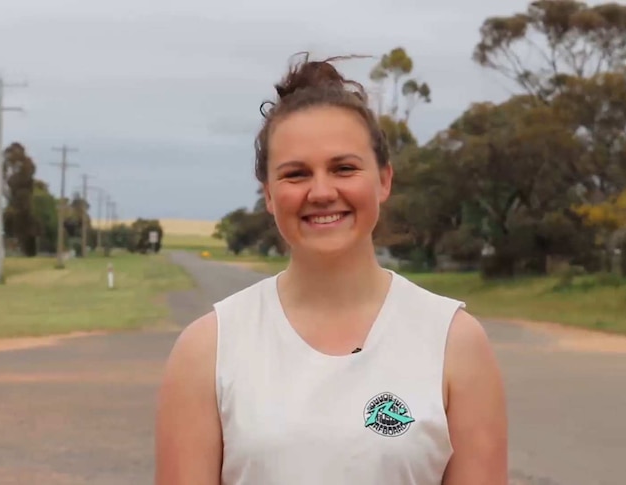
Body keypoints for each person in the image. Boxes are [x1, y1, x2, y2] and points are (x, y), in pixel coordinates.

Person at [154, 52, 508, 484]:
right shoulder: (208, 349)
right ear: (268, 194)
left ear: (383, 180)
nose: (321, 192)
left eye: (343, 168)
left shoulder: (454, 341)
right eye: (296, 174)